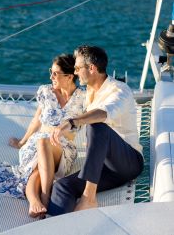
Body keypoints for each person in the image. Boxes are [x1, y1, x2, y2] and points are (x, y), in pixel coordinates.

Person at [0, 54, 85, 219]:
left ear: (69, 76)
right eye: (51, 71)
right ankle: (37, 200)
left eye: (55, 73)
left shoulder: (82, 98)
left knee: (44, 145)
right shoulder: (45, 91)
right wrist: (23, 141)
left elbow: (94, 118)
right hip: (38, 142)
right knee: (37, 167)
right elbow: (36, 119)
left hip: (63, 147)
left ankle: (43, 196)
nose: (51, 76)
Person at [47, 45, 144, 216]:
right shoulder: (88, 93)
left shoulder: (119, 90)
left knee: (97, 125)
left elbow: (103, 113)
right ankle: (57, 226)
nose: (75, 73)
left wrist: (72, 122)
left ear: (91, 68)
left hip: (128, 162)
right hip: (103, 166)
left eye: (77, 68)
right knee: (62, 186)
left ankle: (88, 198)